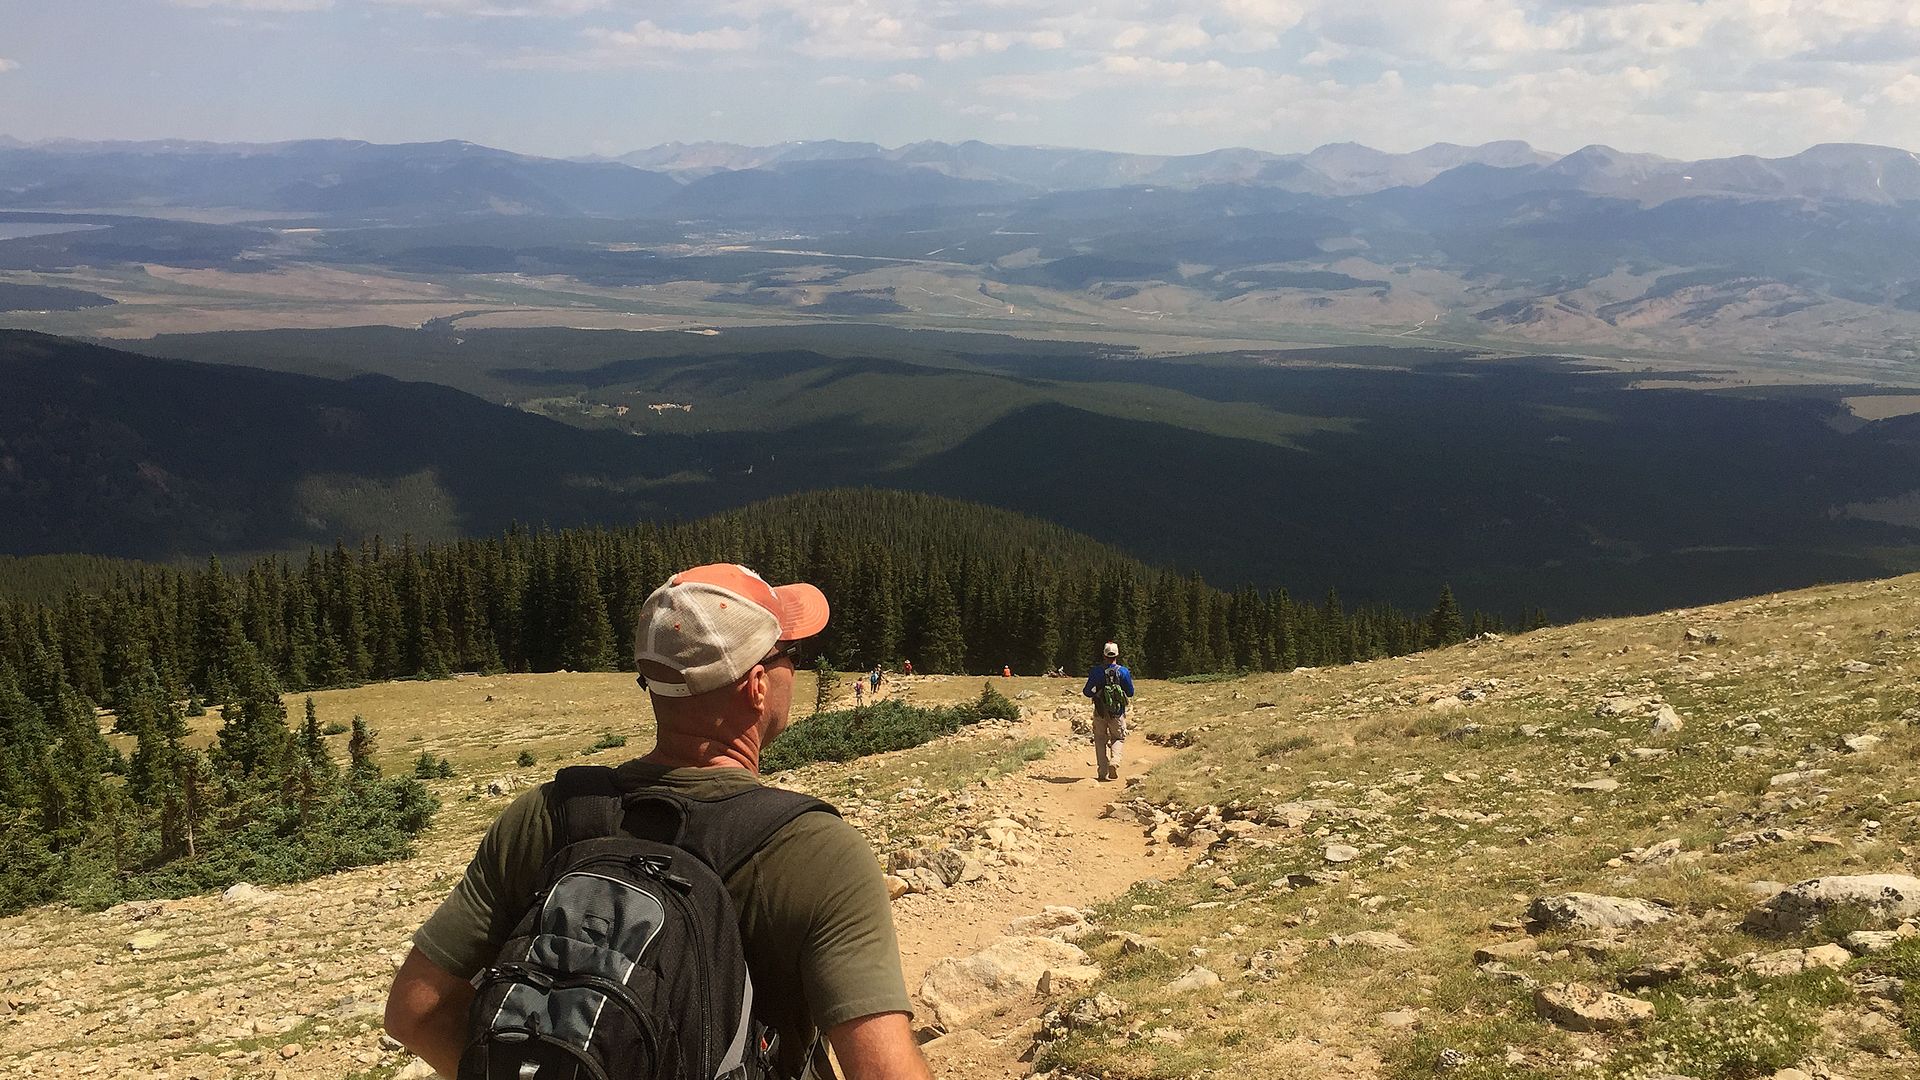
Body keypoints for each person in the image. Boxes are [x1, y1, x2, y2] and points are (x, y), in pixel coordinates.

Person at [385, 563, 930, 1080]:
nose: (797, 669)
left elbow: (415, 1012)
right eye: (791, 654)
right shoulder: (817, 852)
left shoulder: (543, 816)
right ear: (757, 685)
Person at [1081, 641, 1134, 782]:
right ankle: (1114, 761)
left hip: (1099, 710)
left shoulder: (1096, 671)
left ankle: (1102, 771)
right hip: (1117, 712)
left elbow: (1086, 692)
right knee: (1118, 738)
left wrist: (1096, 692)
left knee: (1100, 739)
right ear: (1117, 655)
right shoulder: (1123, 671)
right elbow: (1130, 692)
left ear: (1104, 655)